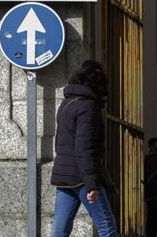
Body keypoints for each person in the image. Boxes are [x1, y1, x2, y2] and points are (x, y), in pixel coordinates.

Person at [50, 60, 117, 236]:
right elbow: (84, 147)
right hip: (81, 177)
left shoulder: (67, 103)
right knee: (107, 226)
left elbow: (59, 142)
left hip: (63, 175)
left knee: (60, 230)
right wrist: (92, 185)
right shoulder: (88, 106)